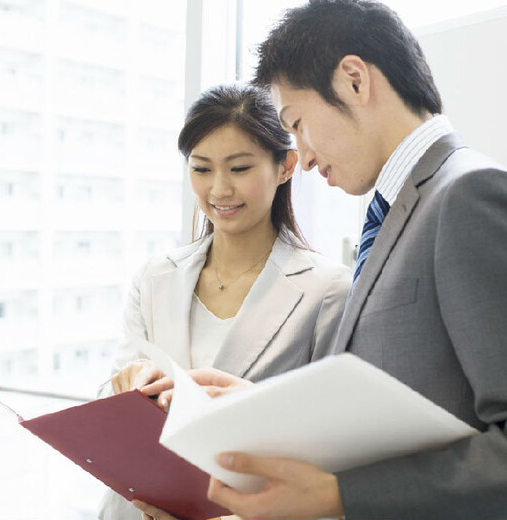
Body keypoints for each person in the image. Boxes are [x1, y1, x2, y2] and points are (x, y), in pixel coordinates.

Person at [138, 1, 507, 519]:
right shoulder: (404, 209)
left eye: (299, 123)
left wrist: (339, 494)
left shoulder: (468, 195)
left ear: (355, 80)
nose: (305, 157)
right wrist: (260, 408)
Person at [97, 83, 352, 520]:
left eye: (239, 168)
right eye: (201, 169)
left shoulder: (328, 290)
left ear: (286, 166)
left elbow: (331, 438)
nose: (219, 189)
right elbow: (106, 403)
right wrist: (128, 386)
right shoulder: (155, 276)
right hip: (135, 507)